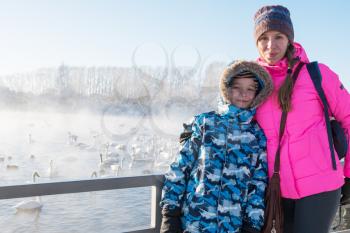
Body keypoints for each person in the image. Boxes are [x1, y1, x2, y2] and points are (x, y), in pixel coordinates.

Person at [253, 5, 350, 233]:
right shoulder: (253, 82)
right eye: (263, 38)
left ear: (290, 39)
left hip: (320, 185)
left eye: (278, 36)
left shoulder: (317, 74)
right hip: (278, 188)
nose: (271, 45)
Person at [159, 60, 273, 233]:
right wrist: (170, 214)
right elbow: (180, 168)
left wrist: (252, 225)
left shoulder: (257, 136)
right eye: (237, 87)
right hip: (193, 223)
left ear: (258, 94)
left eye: (250, 89)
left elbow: (257, 185)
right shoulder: (204, 122)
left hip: (233, 227)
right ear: (226, 89)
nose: (243, 93)